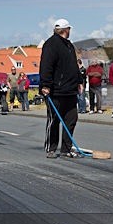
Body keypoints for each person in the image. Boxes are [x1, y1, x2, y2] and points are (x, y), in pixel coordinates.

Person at [39, 18, 84, 158]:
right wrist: (45, 85)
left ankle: (66, 148)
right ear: (65, 30)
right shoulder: (51, 44)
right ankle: (51, 148)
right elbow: (46, 65)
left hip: (70, 90)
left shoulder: (69, 45)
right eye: (69, 29)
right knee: (54, 120)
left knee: (71, 119)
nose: (70, 31)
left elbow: (74, 66)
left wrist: (79, 81)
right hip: (55, 90)